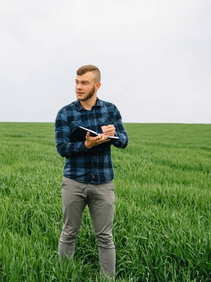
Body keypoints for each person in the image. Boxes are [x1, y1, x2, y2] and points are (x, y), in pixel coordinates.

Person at [55, 64, 128, 278]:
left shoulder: (110, 110)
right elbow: (62, 148)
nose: (79, 87)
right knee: (69, 233)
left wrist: (114, 134)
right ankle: (64, 276)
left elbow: (124, 141)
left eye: (84, 83)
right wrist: (85, 145)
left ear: (97, 85)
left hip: (103, 183)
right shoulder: (65, 113)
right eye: (77, 82)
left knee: (105, 237)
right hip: (74, 182)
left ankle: (108, 279)